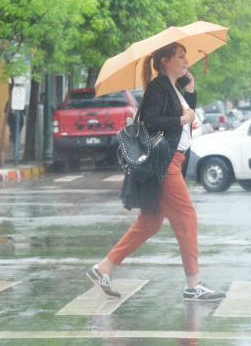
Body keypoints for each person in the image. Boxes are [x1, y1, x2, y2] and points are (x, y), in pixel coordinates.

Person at [86, 42, 226, 302]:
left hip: (174, 160)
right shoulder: (158, 87)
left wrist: (191, 92)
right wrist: (179, 120)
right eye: (180, 56)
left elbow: (186, 119)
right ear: (165, 61)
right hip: (165, 163)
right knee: (187, 218)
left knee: (150, 223)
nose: (186, 60)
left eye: (186, 56)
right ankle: (193, 284)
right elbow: (151, 121)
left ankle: (104, 268)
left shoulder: (173, 88)